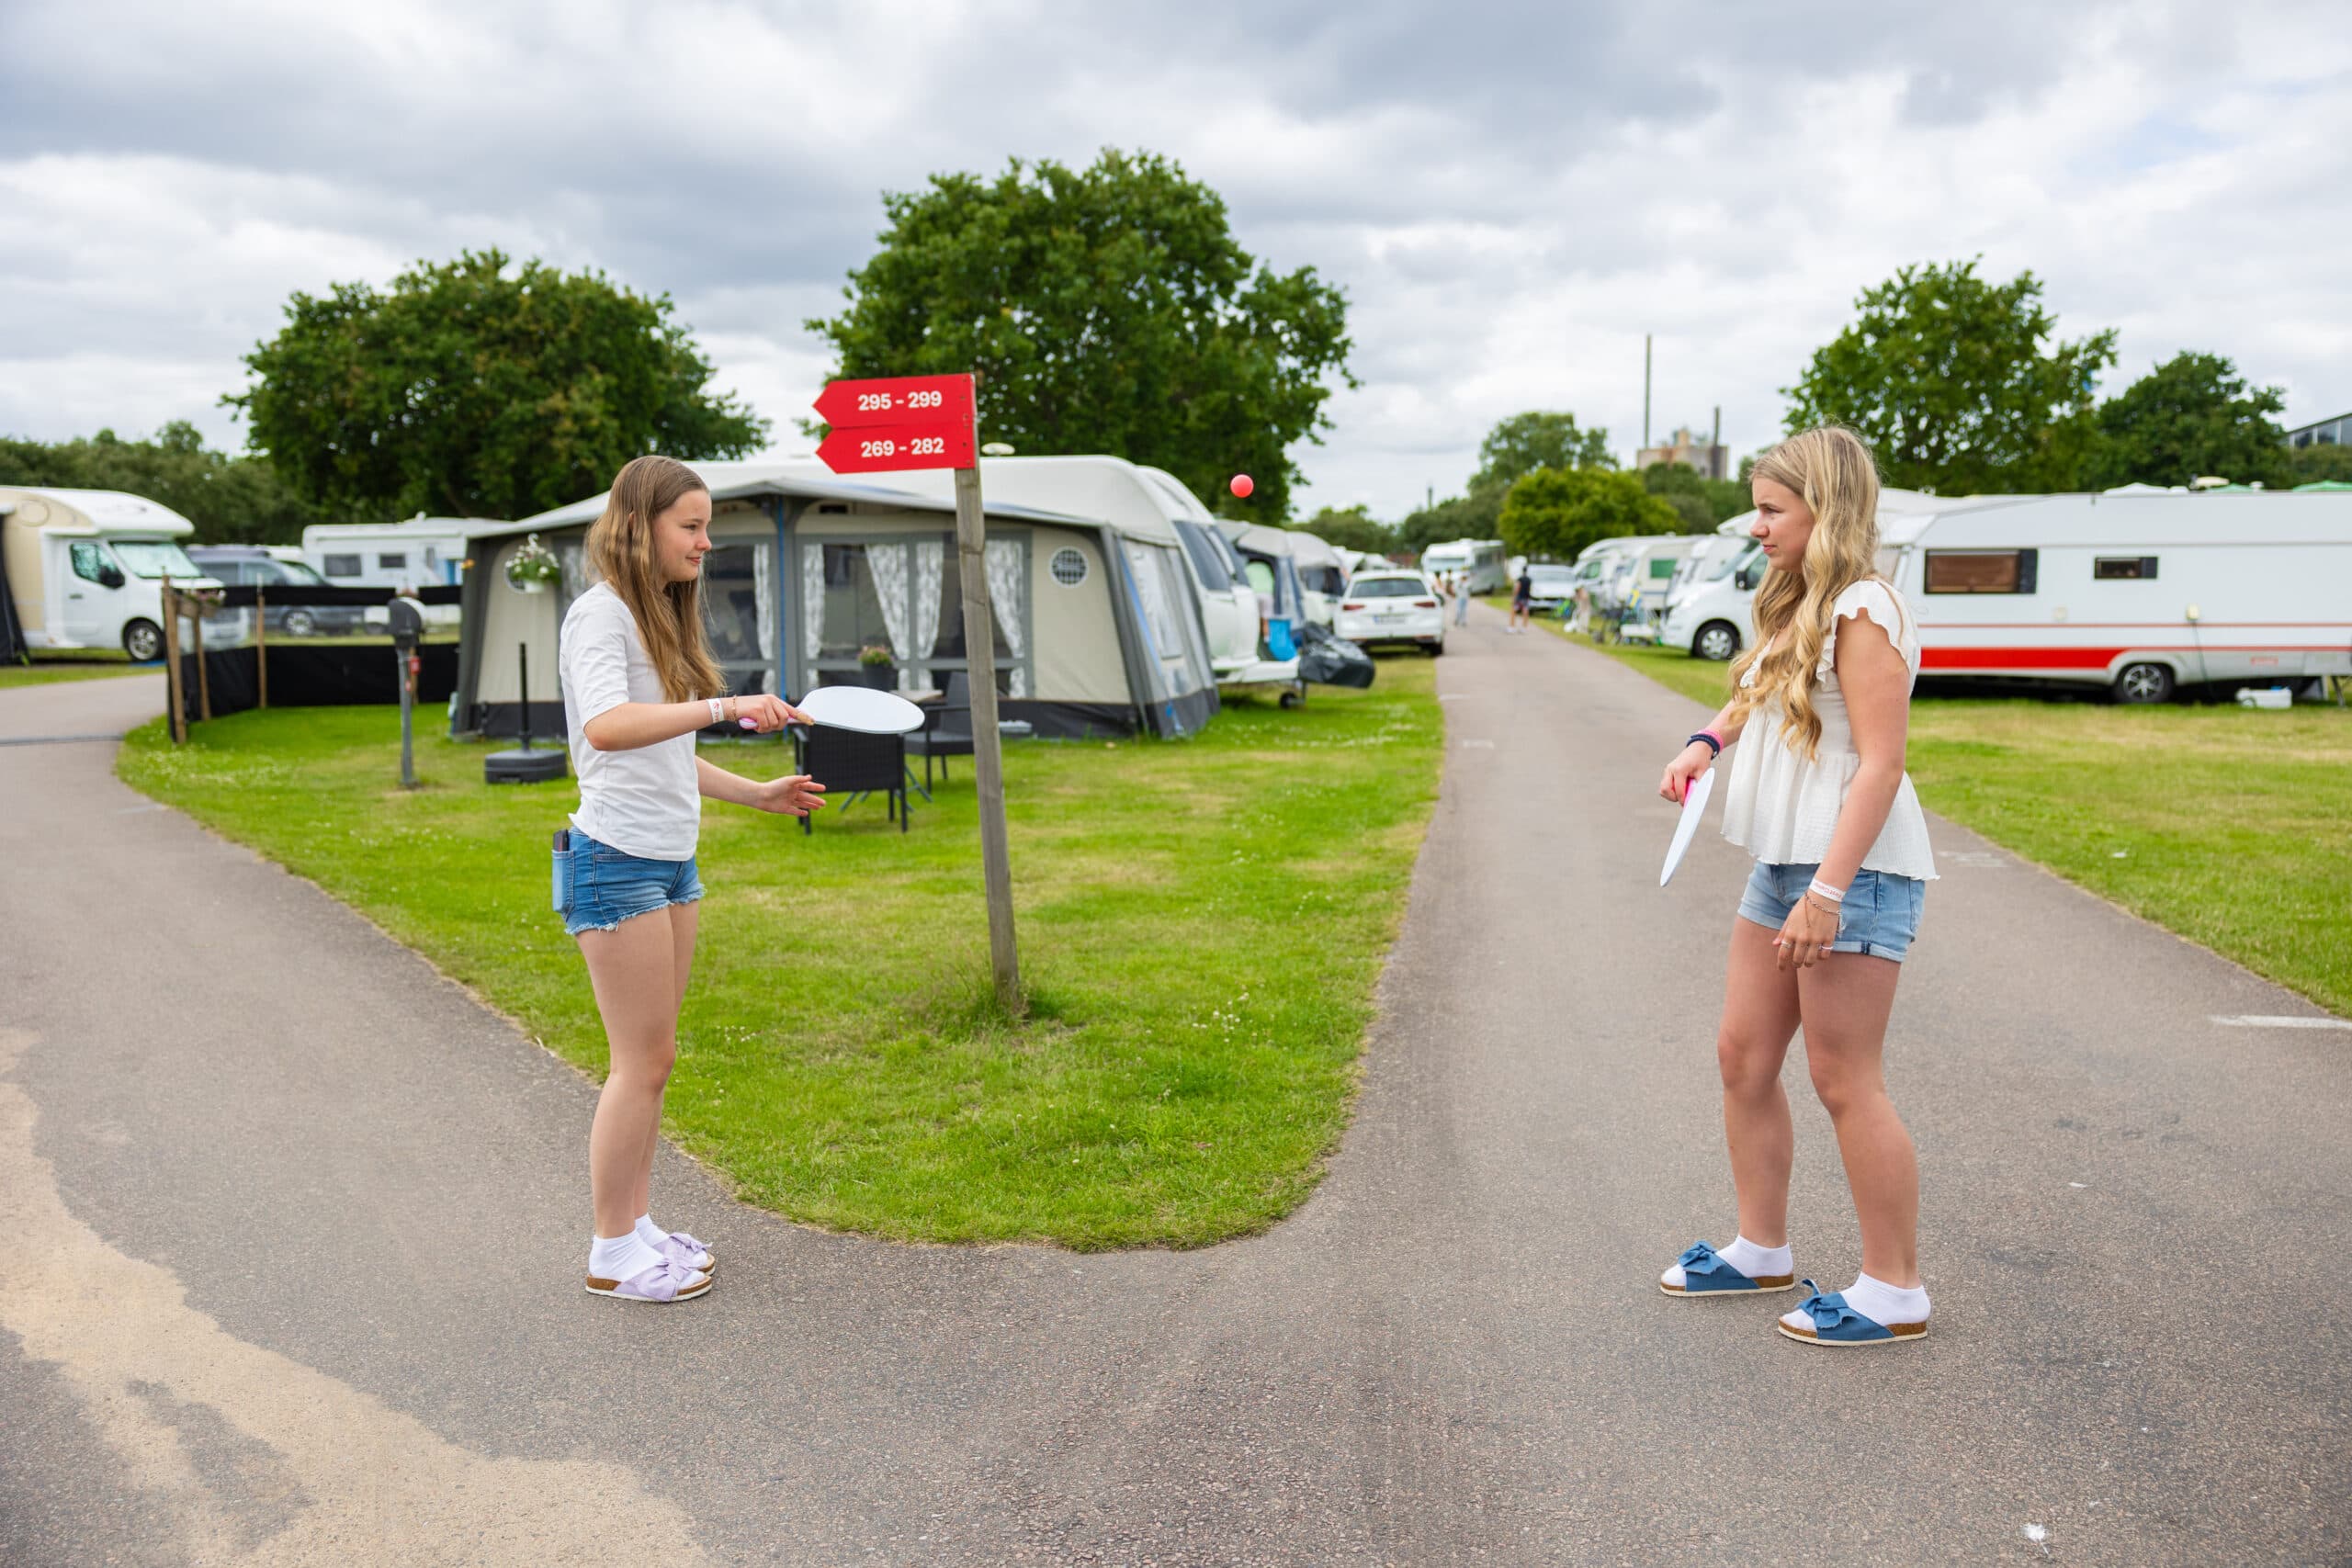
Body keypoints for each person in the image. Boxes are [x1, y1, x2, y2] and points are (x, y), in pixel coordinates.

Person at [1655, 426, 1938, 1347]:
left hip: (1850, 872)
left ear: (1826, 508)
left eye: (1772, 509)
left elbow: (1881, 768)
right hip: (1782, 866)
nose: (1756, 525)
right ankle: (1759, 1249)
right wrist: (1706, 741)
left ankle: (1894, 1292)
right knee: (1741, 1057)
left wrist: (1826, 892)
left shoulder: (1864, 609)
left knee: (1842, 1077)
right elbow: (1757, 688)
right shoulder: (1803, 600)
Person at [557, 455, 827, 1304]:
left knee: (658, 1059)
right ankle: (609, 1250)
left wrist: (757, 793)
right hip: (615, 863)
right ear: (641, 526)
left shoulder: (654, 619)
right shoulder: (598, 618)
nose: (707, 543)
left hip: (671, 860)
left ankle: (638, 1229)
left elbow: (666, 752)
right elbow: (606, 727)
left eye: (707, 526)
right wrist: (726, 705)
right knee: (637, 1063)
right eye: (693, 526)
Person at [1509, 565, 1533, 633]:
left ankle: (1512, 627)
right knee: (1525, 612)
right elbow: (1529, 589)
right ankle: (1524, 628)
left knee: (1513, 611)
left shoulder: (1520, 579)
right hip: (1526, 598)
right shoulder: (1529, 579)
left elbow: (1517, 588)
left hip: (1519, 598)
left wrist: (1513, 597)